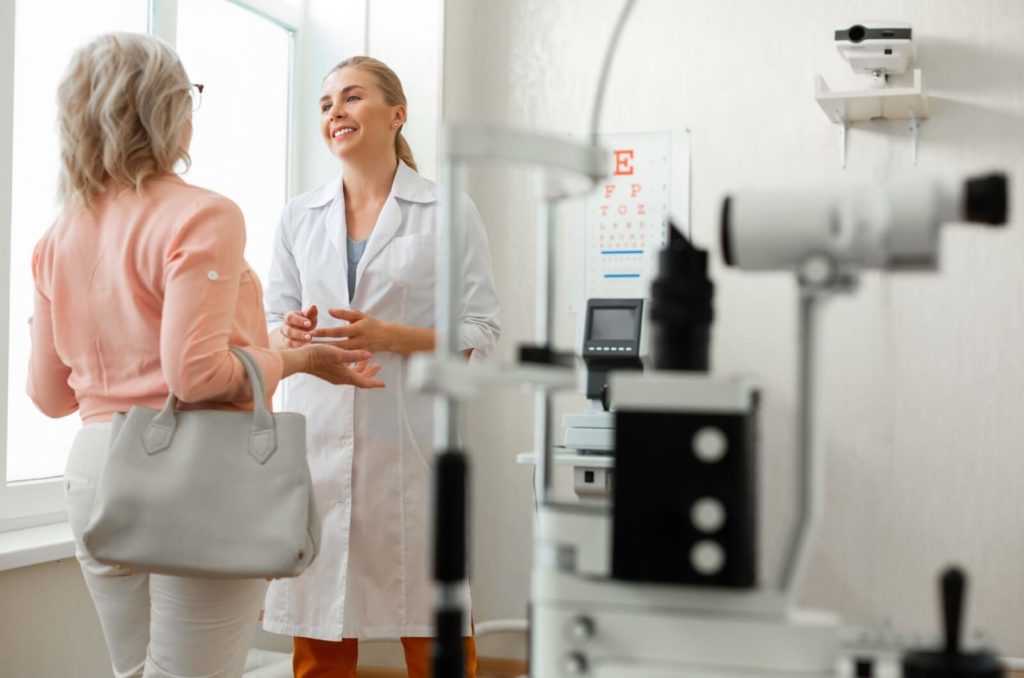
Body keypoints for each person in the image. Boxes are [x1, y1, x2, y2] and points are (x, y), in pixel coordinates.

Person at [27, 33, 384, 678]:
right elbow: (193, 378)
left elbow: (50, 396)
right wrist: (298, 362)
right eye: (188, 94)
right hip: (193, 470)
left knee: (133, 671)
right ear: (164, 110)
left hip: (92, 467)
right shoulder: (202, 215)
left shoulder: (60, 233)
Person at [261, 56, 500, 677]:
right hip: (317, 445)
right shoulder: (298, 216)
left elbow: (482, 330)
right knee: (319, 639)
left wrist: (390, 335)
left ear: (397, 114)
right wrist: (290, 331)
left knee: (434, 635)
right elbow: (269, 320)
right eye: (324, 103)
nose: (334, 112)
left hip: (411, 446)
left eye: (351, 97)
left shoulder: (447, 210)